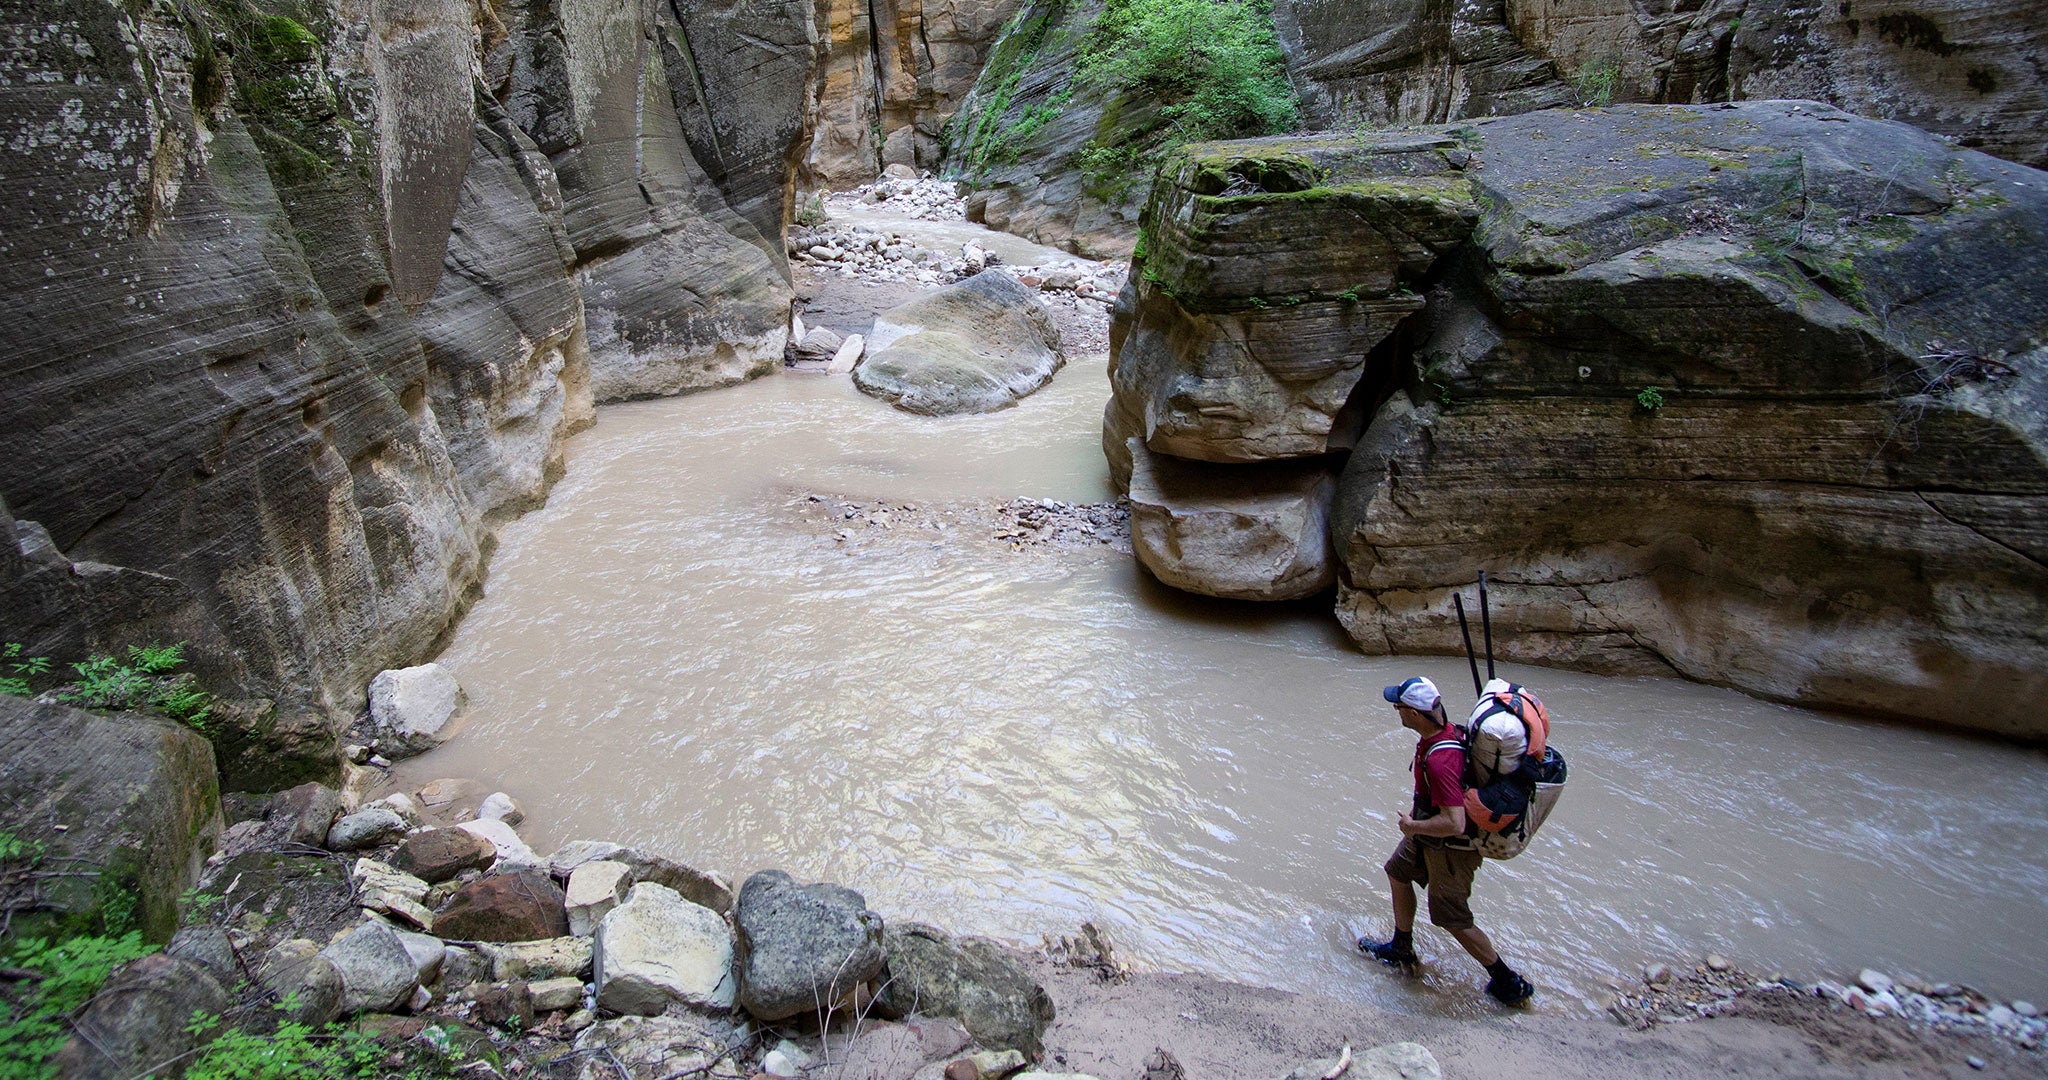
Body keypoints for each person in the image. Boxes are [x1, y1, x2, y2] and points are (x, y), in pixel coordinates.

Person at [1358, 675, 1534, 1005]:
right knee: (1397, 872)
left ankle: (1506, 980)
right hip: (1427, 833)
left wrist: (1413, 828)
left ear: (1413, 713)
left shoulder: (1441, 760)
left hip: (1450, 847)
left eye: (1399, 707)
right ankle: (1401, 947)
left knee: (1451, 917)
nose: (1397, 713)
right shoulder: (1448, 733)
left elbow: (1455, 822)